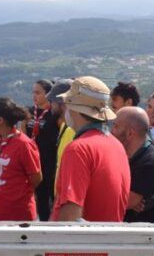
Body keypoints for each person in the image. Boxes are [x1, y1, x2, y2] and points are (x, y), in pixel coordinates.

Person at [51, 76, 130, 222]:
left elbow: (70, 215)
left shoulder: (78, 149)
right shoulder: (116, 145)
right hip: (105, 241)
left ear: (73, 107)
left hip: (81, 243)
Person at [111, 107, 154, 223]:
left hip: (150, 238)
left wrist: (125, 198)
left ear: (130, 133)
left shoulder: (152, 162)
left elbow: (120, 202)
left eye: (115, 126)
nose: (111, 131)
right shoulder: (128, 156)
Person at [0, 98, 42, 221]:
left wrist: (17, 192)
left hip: (19, 214)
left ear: (0, 120)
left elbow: (36, 177)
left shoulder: (23, 144)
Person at [26, 79, 58, 221]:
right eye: (33, 92)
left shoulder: (54, 114)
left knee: (48, 196)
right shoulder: (29, 112)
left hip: (48, 161)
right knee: (37, 197)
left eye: (38, 93)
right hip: (32, 161)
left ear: (48, 94)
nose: (35, 96)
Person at [46, 79, 75, 195]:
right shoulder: (64, 126)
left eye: (52, 100)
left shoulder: (72, 131)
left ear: (62, 103)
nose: (50, 104)